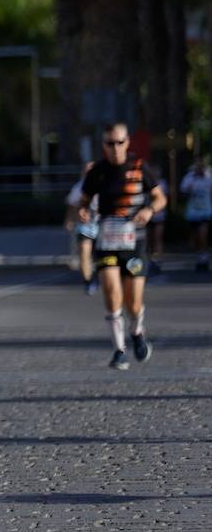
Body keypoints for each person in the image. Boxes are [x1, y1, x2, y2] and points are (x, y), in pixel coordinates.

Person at [78, 121, 165, 369]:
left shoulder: (139, 167)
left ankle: (137, 332)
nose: (115, 148)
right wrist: (83, 212)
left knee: (133, 302)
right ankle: (119, 349)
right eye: (109, 143)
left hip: (134, 243)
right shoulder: (97, 172)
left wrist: (148, 210)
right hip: (107, 241)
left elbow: (160, 198)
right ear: (103, 145)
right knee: (111, 292)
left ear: (127, 142)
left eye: (119, 142)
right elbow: (82, 202)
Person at [65, 163, 100, 295]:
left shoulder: (103, 185)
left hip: (102, 225)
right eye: (87, 170)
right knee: (84, 252)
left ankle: (100, 276)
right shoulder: (78, 188)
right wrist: (69, 220)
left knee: (100, 255)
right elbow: (71, 205)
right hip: (85, 226)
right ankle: (88, 281)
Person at [180, 156, 212, 271]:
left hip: (205, 211)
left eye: (201, 166)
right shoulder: (189, 178)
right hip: (193, 212)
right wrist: (189, 190)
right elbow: (182, 195)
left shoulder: (209, 177)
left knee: (203, 234)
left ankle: (204, 258)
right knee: (195, 239)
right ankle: (200, 257)